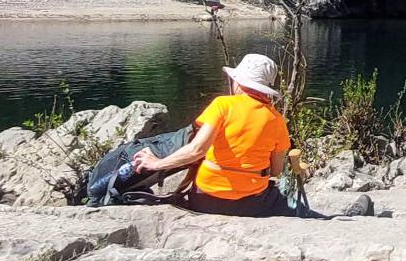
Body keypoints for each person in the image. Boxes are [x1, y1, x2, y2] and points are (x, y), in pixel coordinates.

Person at [132, 54, 372, 218]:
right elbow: (276, 171)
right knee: (299, 212)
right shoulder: (276, 119)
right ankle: (336, 219)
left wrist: (157, 164)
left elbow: (197, 150)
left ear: (238, 82)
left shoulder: (222, 105)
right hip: (252, 203)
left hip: (205, 199)